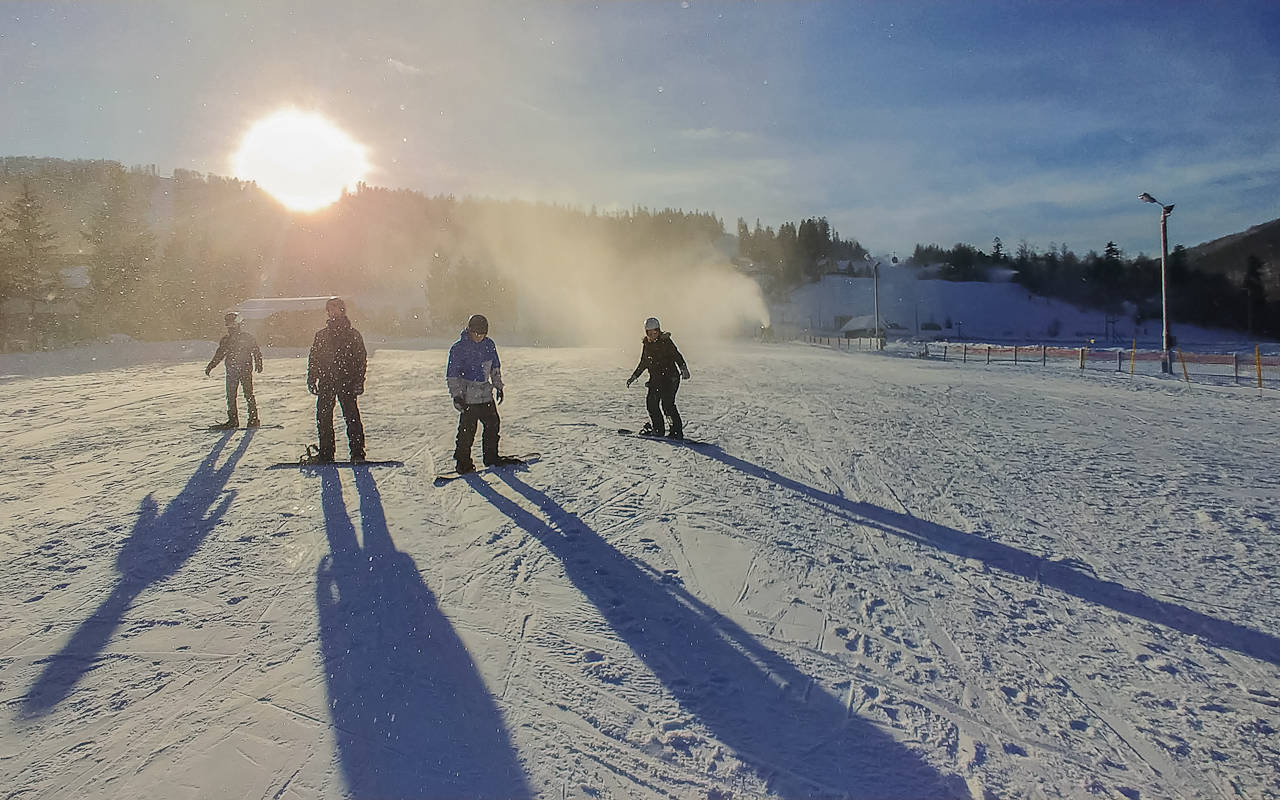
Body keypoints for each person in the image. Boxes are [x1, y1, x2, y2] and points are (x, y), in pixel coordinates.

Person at [446, 313, 517, 473]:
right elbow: (452, 376)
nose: (479, 337)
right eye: (476, 333)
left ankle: (491, 457)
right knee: (467, 431)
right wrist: (457, 396)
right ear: (469, 330)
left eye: (482, 334)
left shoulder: (489, 345)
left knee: (493, 425)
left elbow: (495, 368)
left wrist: (498, 386)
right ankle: (463, 462)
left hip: (485, 394)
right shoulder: (459, 349)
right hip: (468, 397)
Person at [306, 297, 367, 463]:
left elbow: (360, 360)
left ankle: (357, 453)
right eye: (330, 309)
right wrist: (312, 378)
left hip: (347, 382)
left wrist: (359, 381)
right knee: (323, 417)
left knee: (351, 417)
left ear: (342, 310)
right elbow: (314, 359)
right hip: (326, 382)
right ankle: (326, 452)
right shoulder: (321, 335)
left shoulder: (352, 335)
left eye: (336, 308)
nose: (333, 312)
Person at [626, 316, 690, 438]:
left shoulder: (666, 342)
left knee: (667, 405)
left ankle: (676, 431)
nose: (652, 335)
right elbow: (643, 362)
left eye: (654, 332)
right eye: (649, 333)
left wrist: (683, 368)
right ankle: (658, 429)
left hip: (670, 378)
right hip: (656, 379)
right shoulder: (647, 344)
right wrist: (634, 376)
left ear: (658, 331)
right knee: (651, 403)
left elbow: (677, 355)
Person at [205, 311, 263, 428]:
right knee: (232, 395)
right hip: (232, 370)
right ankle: (234, 420)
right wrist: (211, 365)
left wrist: (259, 363)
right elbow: (219, 354)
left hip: (244, 369)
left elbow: (256, 351)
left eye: (232, 323)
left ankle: (253, 419)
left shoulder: (246, 337)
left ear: (238, 323)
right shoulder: (226, 340)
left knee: (247, 394)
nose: (230, 326)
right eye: (228, 324)